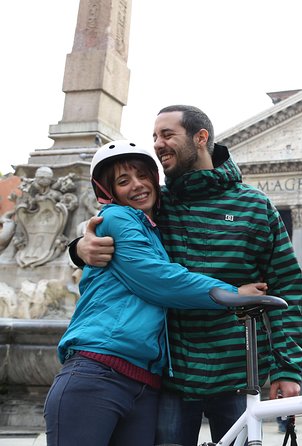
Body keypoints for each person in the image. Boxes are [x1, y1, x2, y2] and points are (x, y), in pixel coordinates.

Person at [72, 105, 302, 446]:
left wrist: (287, 368)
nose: (158, 143)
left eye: (167, 135)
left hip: (239, 373)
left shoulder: (255, 206)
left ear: (200, 138)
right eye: (154, 136)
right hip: (173, 377)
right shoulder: (153, 204)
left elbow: (287, 288)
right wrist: (78, 247)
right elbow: (110, 228)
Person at [45, 140, 266, 445]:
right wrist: (230, 294)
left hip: (144, 384)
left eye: (143, 176)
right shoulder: (117, 218)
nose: (137, 185)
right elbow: (158, 279)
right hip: (98, 370)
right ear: (108, 192)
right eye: (123, 181)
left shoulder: (152, 228)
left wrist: (78, 248)